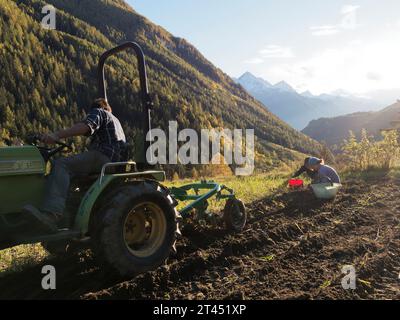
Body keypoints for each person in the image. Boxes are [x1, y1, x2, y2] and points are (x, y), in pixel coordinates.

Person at [23, 98, 127, 232]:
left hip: (104, 157)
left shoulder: (100, 111)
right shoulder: (116, 121)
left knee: (61, 165)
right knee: (66, 176)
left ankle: (52, 214)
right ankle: (66, 221)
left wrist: (56, 135)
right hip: (112, 160)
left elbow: (86, 127)